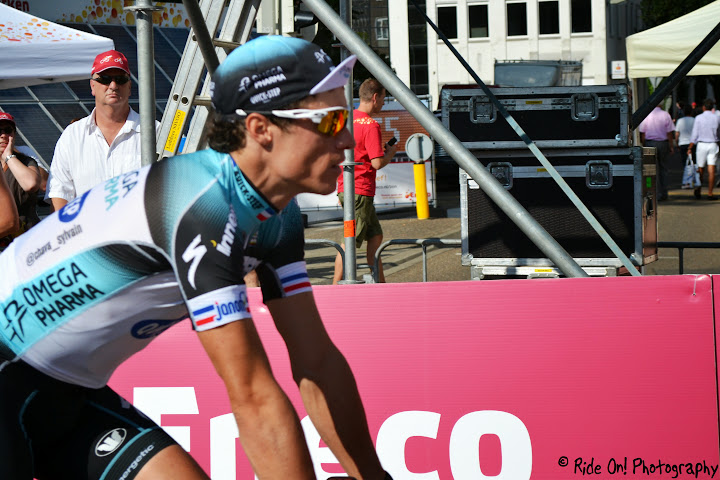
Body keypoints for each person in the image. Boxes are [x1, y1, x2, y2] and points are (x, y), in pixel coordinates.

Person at [0, 36, 392, 480]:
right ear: (261, 128)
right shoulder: (203, 207)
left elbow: (317, 360)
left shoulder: (278, 217)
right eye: (331, 121)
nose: (347, 139)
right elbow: (253, 397)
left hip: (70, 391)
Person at [46, 50, 153, 211]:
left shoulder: (155, 132)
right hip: (86, 227)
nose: (113, 86)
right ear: (92, 86)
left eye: (120, 79)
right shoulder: (72, 136)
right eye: (105, 79)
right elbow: (60, 194)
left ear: (130, 87)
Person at [333, 78, 397, 284]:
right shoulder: (371, 125)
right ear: (375, 97)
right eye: (384, 99)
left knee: (375, 236)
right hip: (360, 191)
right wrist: (390, 154)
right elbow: (376, 163)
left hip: (348, 187)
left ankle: (380, 282)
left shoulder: (347, 119)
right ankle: (334, 287)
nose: (384, 104)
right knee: (349, 242)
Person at [0, 112, 42, 249]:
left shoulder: (25, 161)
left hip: (26, 242)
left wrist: (8, 156)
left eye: (8, 130)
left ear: (14, 135)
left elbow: (31, 184)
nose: (3, 135)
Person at [638, 103, 675, 201]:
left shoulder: (647, 115)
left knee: (650, 169)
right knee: (663, 168)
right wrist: (671, 146)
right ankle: (664, 193)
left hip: (650, 143)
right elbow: (669, 133)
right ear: (661, 105)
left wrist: (644, 145)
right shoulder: (666, 115)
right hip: (663, 143)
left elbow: (642, 133)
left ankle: (651, 193)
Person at [687, 98, 720, 200]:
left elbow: (694, 134)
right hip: (713, 144)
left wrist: (690, 147)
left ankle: (698, 190)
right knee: (711, 169)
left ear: (703, 107)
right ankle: (710, 193)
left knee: (700, 169)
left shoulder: (698, 118)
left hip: (701, 145)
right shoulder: (717, 118)